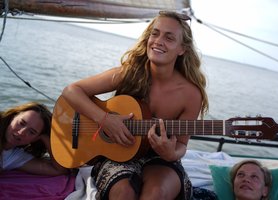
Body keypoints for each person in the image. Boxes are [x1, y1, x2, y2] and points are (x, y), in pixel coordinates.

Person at [62, 10, 208, 200]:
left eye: (169, 38)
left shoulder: (190, 94)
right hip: (119, 152)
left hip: (159, 158)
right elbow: (71, 91)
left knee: (156, 193)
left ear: (182, 49)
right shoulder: (128, 73)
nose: (158, 41)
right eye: (155, 33)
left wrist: (171, 153)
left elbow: (181, 145)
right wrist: (105, 120)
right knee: (124, 193)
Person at [0, 102, 69, 175]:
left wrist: (45, 138)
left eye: (32, 132)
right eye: (21, 123)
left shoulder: (15, 157)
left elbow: (59, 169)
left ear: (35, 139)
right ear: (13, 117)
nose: (21, 132)